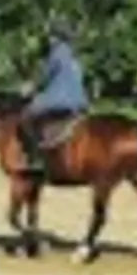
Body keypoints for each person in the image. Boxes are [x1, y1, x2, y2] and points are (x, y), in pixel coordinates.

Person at [17, 19, 89, 174]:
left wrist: (29, 88)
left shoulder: (56, 53)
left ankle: (35, 157)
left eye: (51, 36)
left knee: (26, 115)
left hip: (59, 99)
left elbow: (44, 78)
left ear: (56, 37)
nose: (49, 39)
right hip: (81, 102)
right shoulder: (74, 56)